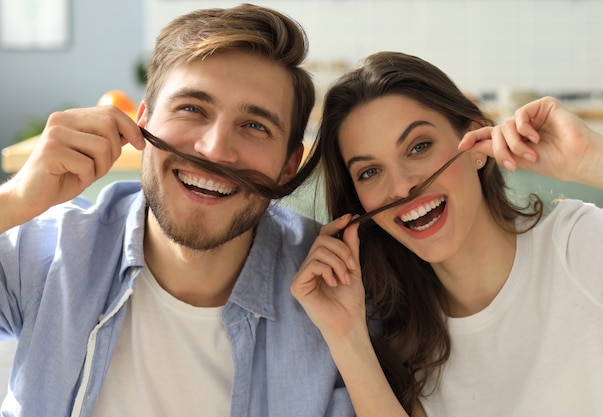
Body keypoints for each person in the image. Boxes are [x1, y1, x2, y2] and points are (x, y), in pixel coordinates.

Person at [0, 5, 355, 417]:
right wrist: (14, 202)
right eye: (192, 109)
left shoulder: (337, 292)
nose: (215, 150)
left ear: (288, 167)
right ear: (142, 123)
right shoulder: (48, 252)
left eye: (256, 125)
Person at [291, 51, 603, 416]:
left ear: (475, 144)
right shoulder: (408, 344)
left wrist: (596, 159)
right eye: (370, 172)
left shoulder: (581, 248)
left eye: (419, 147)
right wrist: (346, 335)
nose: (402, 187)